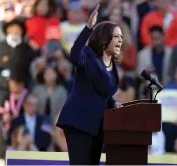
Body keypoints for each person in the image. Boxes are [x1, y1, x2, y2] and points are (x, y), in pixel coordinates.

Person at [56, 4, 122, 165]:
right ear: (104, 39)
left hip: (97, 126)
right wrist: (88, 28)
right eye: (116, 36)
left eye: (121, 37)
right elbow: (74, 55)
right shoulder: (88, 55)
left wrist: (113, 102)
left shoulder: (112, 66)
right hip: (79, 121)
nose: (121, 40)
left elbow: (102, 91)